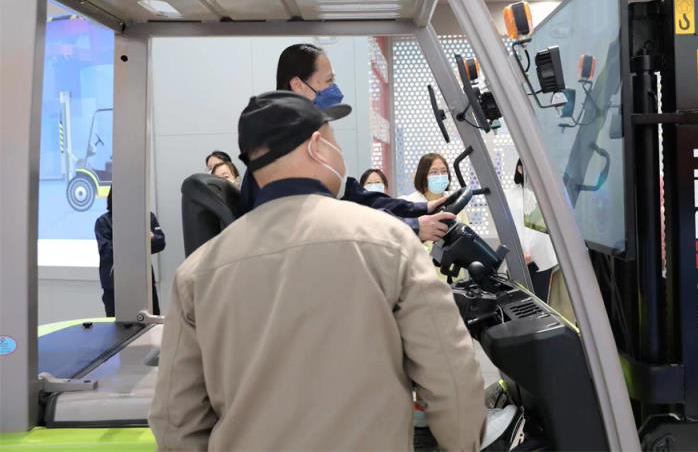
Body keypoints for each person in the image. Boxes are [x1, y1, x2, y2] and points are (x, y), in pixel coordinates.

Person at [150, 92, 486, 451]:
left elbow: (176, 420)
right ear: (316, 146)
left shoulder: (196, 273)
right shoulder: (390, 243)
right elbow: (452, 381)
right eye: (334, 141)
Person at [239, 43, 455, 243]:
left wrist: (420, 208)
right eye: (328, 81)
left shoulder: (302, 147)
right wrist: (409, 227)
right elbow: (332, 218)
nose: (335, 89)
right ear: (298, 85)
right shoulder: (287, 154)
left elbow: (354, 196)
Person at [94, 188, 165, 317]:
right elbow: (107, 252)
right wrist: (138, 239)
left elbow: (160, 243)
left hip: (144, 284)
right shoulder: (103, 222)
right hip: (115, 286)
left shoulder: (148, 217)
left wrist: (152, 238)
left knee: (152, 323)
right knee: (117, 326)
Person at [506, 158, 558, 300]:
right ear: (519, 169)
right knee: (518, 299)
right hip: (519, 255)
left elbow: (543, 227)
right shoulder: (509, 196)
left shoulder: (544, 194)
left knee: (541, 300)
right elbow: (511, 226)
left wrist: (532, 250)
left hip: (543, 256)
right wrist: (522, 250)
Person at [401, 152, 470, 227]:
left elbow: (466, 229)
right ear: (422, 176)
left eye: (444, 171)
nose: (440, 176)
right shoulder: (408, 204)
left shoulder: (456, 202)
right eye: (434, 172)